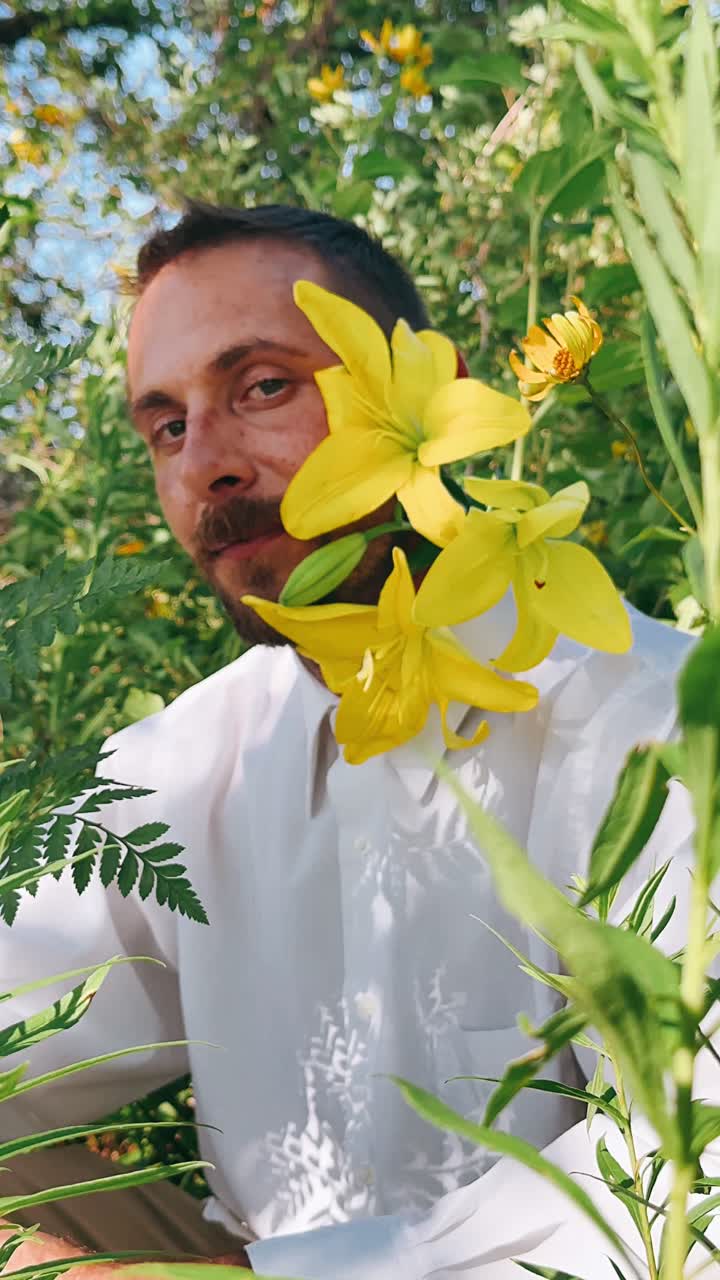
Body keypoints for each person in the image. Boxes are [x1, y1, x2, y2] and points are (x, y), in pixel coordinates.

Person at [0, 203, 701, 1278]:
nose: (208, 464)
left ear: (436, 390)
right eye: (166, 425)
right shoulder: (201, 757)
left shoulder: (641, 716)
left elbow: (699, 1171)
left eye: (263, 386)